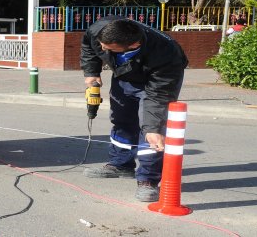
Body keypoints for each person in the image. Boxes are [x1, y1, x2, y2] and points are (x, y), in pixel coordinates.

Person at [80, 16, 188, 202]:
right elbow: (89, 46)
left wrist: (153, 128)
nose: (103, 49)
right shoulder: (101, 30)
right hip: (125, 73)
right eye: (102, 44)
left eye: (109, 48)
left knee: (152, 130)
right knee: (122, 119)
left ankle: (148, 179)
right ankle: (121, 164)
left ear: (133, 44)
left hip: (156, 81)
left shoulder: (165, 54)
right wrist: (91, 72)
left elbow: (158, 98)